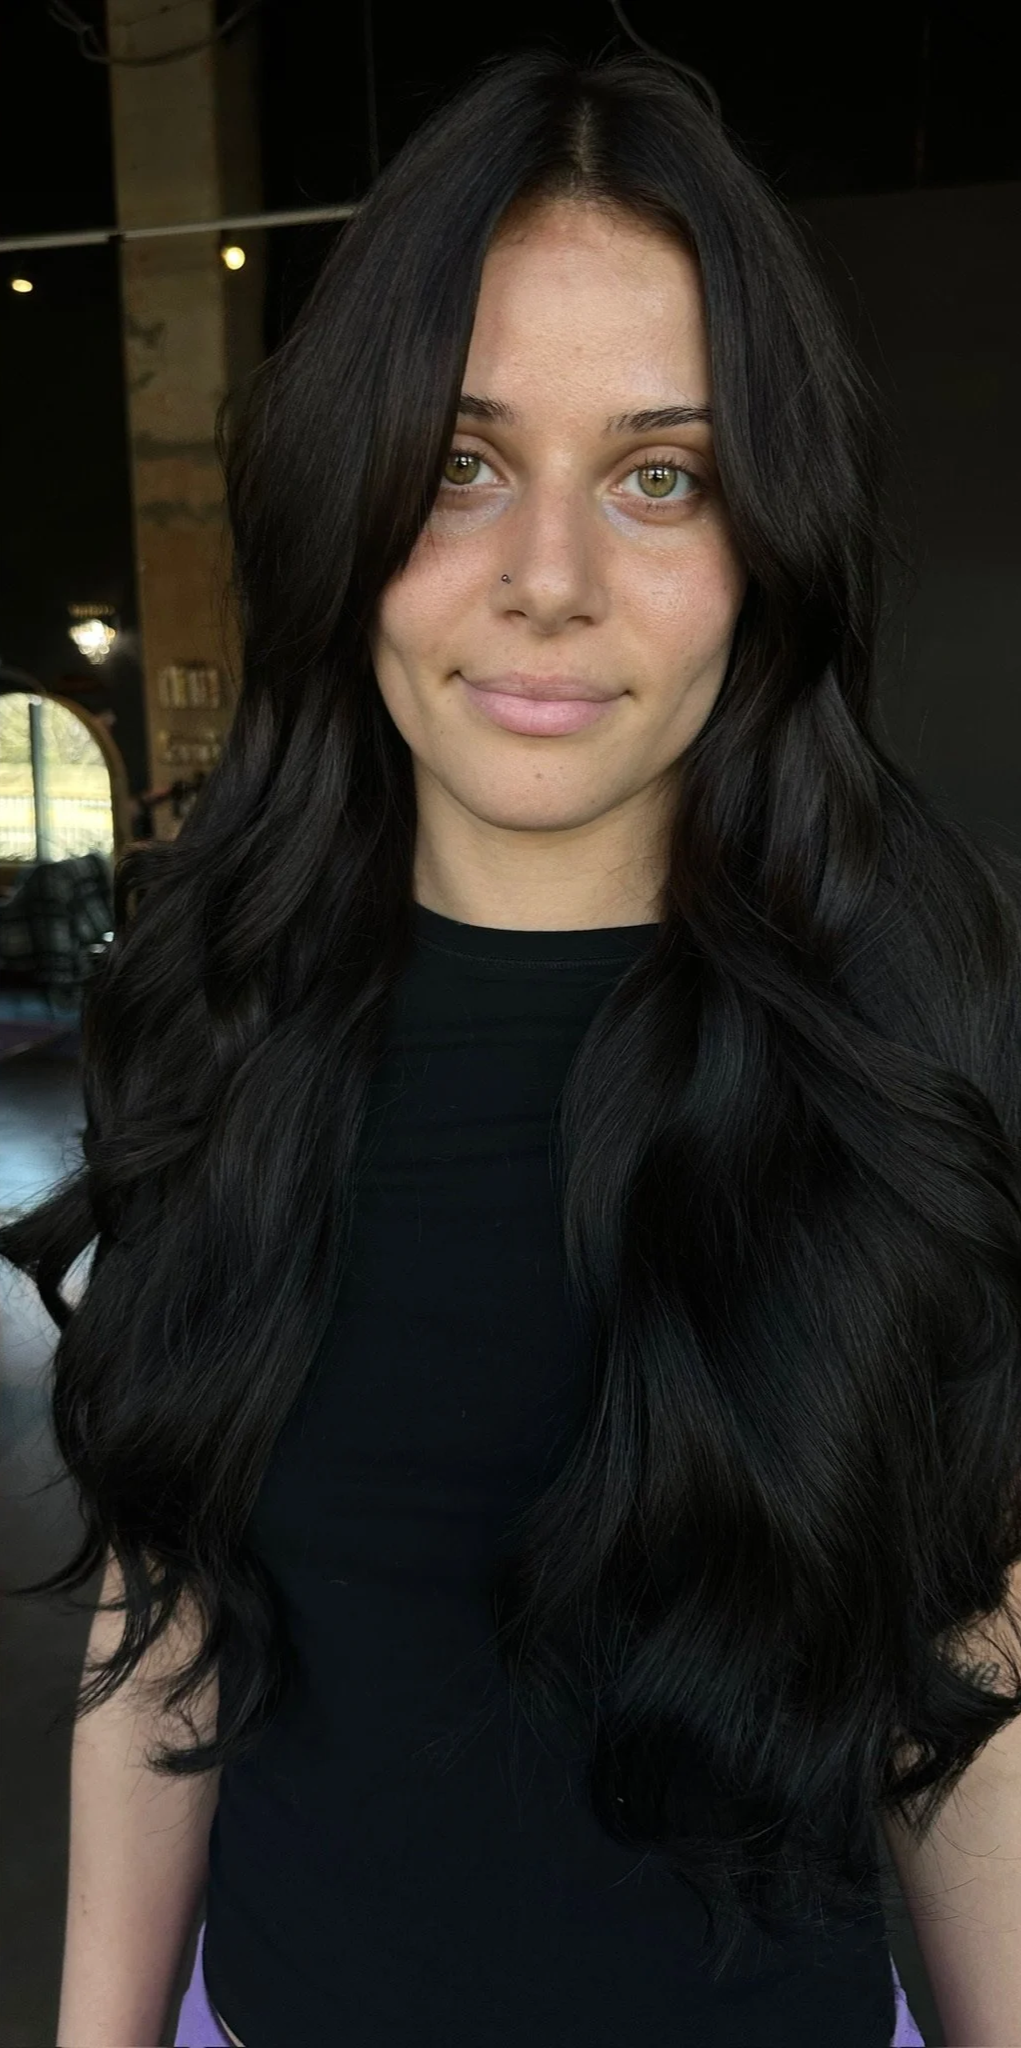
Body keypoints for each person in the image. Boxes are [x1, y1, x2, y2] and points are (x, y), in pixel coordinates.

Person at [6, 45, 1021, 2048]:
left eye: (662, 474)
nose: (547, 581)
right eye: (463, 463)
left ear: (769, 543)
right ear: (351, 504)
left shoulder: (913, 1051)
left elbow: (968, 1688)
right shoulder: (222, 1025)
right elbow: (172, 1620)